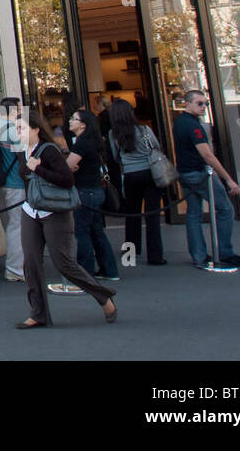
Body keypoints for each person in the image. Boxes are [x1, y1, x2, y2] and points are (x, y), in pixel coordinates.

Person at [17, 108, 117, 328]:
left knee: (64, 264)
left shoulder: (48, 150)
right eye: (16, 129)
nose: (18, 133)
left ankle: (103, 296)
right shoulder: (22, 151)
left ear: (35, 129)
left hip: (55, 211)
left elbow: (66, 180)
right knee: (31, 263)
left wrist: (39, 169)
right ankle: (38, 313)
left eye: (21, 128)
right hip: (30, 210)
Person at [173, 90, 240, 269]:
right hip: (199, 173)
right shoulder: (193, 126)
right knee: (225, 209)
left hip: (185, 173)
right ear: (188, 103)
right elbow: (207, 155)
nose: (203, 107)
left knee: (193, 214)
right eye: (199, 103)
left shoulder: (180, 123)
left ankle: (199, 255)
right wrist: (228, 179)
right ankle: (225, 252)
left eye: (205, 103)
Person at [108, 100, 166, 266]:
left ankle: (130, 252)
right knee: (152, 215)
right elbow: (155, 146)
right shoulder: (144, 130)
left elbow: (115, 156)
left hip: (130, 174)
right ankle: (155, 255)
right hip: (149, 173)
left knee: (132, 214)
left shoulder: (114, 134)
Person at [66, 108, 119, 281]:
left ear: (83, 124)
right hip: (95, 189)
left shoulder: (82, 142)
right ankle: (109, 269)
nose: (70, 120)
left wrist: (69, 166)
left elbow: (68, 165)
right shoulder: (93, 141)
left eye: (74, 118)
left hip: (85, 191)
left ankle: (86, 271)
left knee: (81, 232)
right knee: (97, 231)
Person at [0, 97, 27, 283]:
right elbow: (25, 154)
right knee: (17, 225)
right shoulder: (14, 130)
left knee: (9, 224)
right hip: (15, 183)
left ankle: (18, 261)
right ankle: (15, 268)